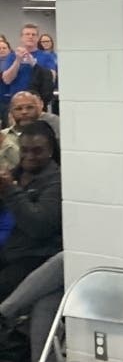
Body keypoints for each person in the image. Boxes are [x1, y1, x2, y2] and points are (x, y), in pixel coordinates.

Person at [0, 121, 62, 301]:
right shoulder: (15, 174)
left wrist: (10, 191)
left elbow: (39, 227)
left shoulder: (57, 182)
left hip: (34, 256)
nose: (29, 156)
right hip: (8, 250)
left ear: (50, 151)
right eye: (25, 150)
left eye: (37, 151)